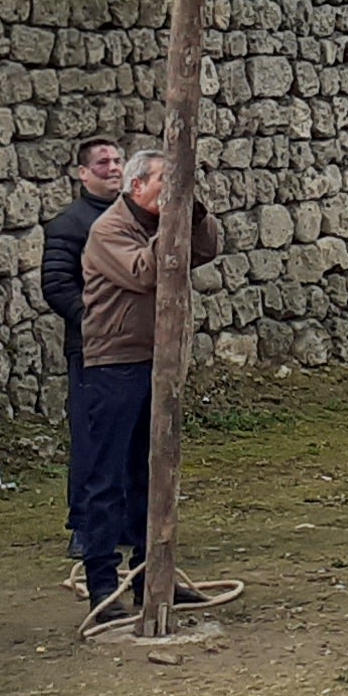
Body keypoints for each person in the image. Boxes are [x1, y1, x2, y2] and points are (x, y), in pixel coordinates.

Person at [72, 151, 217, 622]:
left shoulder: (156, 223)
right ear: (137, 187)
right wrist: (175, 221)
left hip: (156, 360)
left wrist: (193, 214)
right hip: (114, 365)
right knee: (107, 477)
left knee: (151, 475)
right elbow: (149, 272)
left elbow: (206, 249)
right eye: (164, 182)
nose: (171, 190)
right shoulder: (109, 231)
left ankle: (151, 576)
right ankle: (101, 585)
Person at [36, 138, 128, 566]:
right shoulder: (69, 224)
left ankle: (127, 520)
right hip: (92, 349)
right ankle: (86, 525)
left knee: (134, 437)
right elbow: (57, 285)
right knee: (92, 439)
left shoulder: (136, 217)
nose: (113, 168)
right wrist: (94, 323)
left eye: (117, 160)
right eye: (102, 163)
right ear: (83, 173)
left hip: (136, 347)